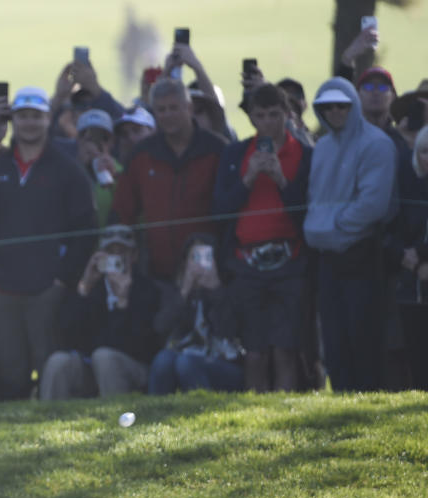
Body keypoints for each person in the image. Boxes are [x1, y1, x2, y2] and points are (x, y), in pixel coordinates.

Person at [0, 87, 97, 398]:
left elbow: (86, 229)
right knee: (10, 368)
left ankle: (45, 427)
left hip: (47, 288)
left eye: (36, 116)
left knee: (48, 365)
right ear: (13, 120)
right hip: (0, 286)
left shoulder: (67, 169)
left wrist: (63, 279)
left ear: (49, 119)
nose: (29, 123)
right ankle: (11, 431)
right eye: (23, 116)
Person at [212, 84, 313, 391]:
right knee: (254, 351)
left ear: (287, 114)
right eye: (260, 115)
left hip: (290, 261)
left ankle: (283, 411)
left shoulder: (305, 155)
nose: (268, 122)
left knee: (284, 348)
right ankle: (256, 415)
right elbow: (220, 210)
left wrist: (282, 179)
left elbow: (308, 213)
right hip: (247, 263)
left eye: (274, 114)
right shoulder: (236, 154)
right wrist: (247, 179)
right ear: (252, 118)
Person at [304, 79, 396, 391]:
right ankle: (343, 403)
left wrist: (330, 228)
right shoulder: (323, 147)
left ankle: (367, 408)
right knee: (334, 339)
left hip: (361, 254)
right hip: (327, 258)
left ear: (352, 105)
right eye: (327, 106)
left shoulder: (377, 144)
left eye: (341, 105)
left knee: (362, 337)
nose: (334, 111)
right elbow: (315, 199)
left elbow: (372, 205)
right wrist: (324, 230)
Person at [112, 78, 226, 279]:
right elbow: (123, 210)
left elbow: (231, 210)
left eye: (174, 108)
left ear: (189, 108)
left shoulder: (217, 150)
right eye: (161, 110)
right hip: (156, 273)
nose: (167, 115)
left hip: (210, 271)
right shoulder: (141, 155)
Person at [40, 225, 166, 399]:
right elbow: (66, 335)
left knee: (104, 357)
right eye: (109, 252)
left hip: (133, 368)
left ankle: (113, 417)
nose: (116, 259)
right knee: (58, 362)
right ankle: (47, 422)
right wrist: (85, 287)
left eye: (122, 252)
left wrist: (122, 302)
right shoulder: (92, 287)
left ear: (134, 255)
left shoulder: (147, 290)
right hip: (92, 367)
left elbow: (140, 346)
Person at [149, 234, 244, 394]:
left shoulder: (230, 288)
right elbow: (160, 327)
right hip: (183, 357)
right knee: (163, 359)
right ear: (185, 262)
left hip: (224, 364)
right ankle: (157, 412)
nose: (200, 264)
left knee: (186, 362)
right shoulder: (176, 292)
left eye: (206, 257)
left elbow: (231, 331)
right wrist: (185, 291)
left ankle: (201, 409)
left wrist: (216, 290)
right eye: (194, 257)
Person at [387, 126, 428, 388]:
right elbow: (391, 227)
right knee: (417, 353)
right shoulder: (407, 185)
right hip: (412, 281)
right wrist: (405, 255)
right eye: (425, 151)